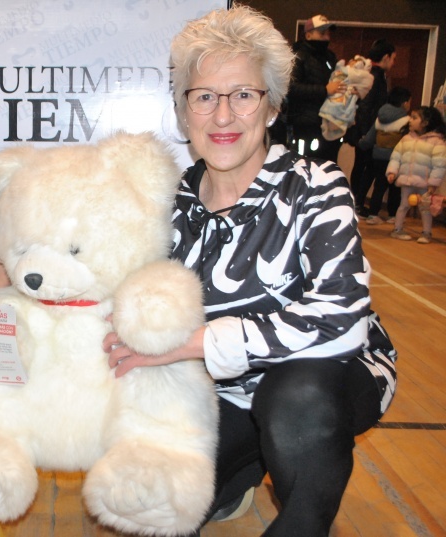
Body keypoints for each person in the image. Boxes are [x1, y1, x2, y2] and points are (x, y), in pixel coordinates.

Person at [104, 6, 398, 535]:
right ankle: (247, 463)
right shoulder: (162, 202)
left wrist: (189, 344)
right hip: (221, 393)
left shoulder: (317, 184)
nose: (223, 116)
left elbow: (339, 321)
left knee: (294, 401)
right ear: (182, 110)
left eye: (243, 95)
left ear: (271, 108)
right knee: (148, 507)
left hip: (325, 377)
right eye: (204, 97)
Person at [347, 39, 396, 217]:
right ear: (386, 57)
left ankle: (356, 202)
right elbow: (367, 106)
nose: (393, 63)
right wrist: (366, 135)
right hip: (367, 132)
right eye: (393, 58)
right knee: (363, 166)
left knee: (363, 166)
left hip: (366, 132)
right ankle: (357, 203)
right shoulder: (374, 77)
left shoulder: (376, 75)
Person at [286, 14, 343, 163]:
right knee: (306, 164)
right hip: (306, 123)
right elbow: (291, 88)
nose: (326, 38)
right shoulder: (298, 56)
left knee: (328, 164)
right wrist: (324, 90)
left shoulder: (330, 57)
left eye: (328, 33)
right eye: (322, 33)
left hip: (328, 121)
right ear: (309, 35)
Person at [388, 105, 446, 244]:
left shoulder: (437, 141)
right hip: (407, 181)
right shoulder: (406, 139)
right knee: (403, 205)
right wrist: (392, 171)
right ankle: (397, 229)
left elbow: (440, 164)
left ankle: (426, 233)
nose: (410, 120)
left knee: (425, 208)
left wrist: (433, 183)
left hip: (424, 183)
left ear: (425, 122)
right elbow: (396, 157)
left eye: (414, 118)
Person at [359, 86, 411, 224]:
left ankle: (373, 214)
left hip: (378, 157)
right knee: (395, 189)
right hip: (396, 159)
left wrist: (361, 143)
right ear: (405, 103)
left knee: (379, 186)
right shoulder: (406, 121)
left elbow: (369, 139)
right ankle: (392, 214)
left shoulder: (380, 118)